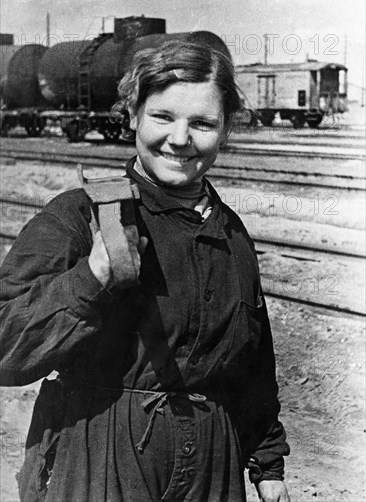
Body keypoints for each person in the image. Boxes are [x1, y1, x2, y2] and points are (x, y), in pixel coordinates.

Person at [0, 40, 290, 502]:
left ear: (226, 130)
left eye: (202, 123)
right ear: (133, 114)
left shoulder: (230, 230)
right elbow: (5, 349)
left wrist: (267, 462)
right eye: (163, 116)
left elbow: (253, 362)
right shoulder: (78, 216)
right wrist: (89, 280)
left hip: (212, 464)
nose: (180, 138)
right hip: (101, 453)